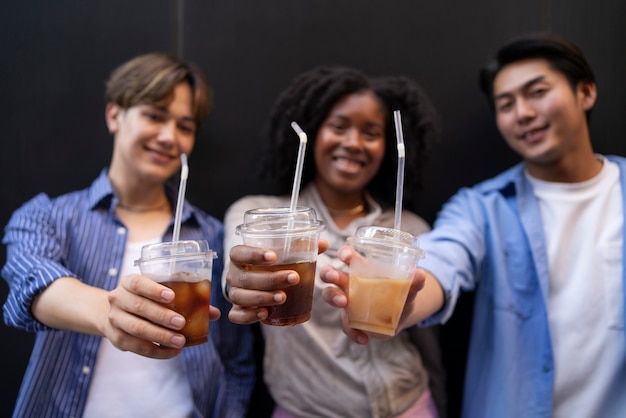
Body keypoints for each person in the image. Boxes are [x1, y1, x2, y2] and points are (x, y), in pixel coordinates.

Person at [319, 32, 626, 418]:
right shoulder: (480, 207)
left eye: (537, 92)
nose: (523, 113)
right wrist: (403, 303)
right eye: (506, 103)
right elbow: (441, 261)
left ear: (586, 93)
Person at [1, 53, 255, 417]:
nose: (169, 137)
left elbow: (235, 361)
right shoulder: (47, 217)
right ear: (114, 115)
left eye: (185, 126)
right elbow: (32, 286)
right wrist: (110, 314)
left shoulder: (212, 235)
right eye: (154, 116)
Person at [223, 66, 445, 417]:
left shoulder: (410, 228)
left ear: (387, 146)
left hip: (410, 405)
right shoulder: (259, 214)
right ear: (314, 133)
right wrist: (242, 284)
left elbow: (425, 306)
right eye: (339, 127)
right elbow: (236, 272)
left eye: (370, 133)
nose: (353, 143)